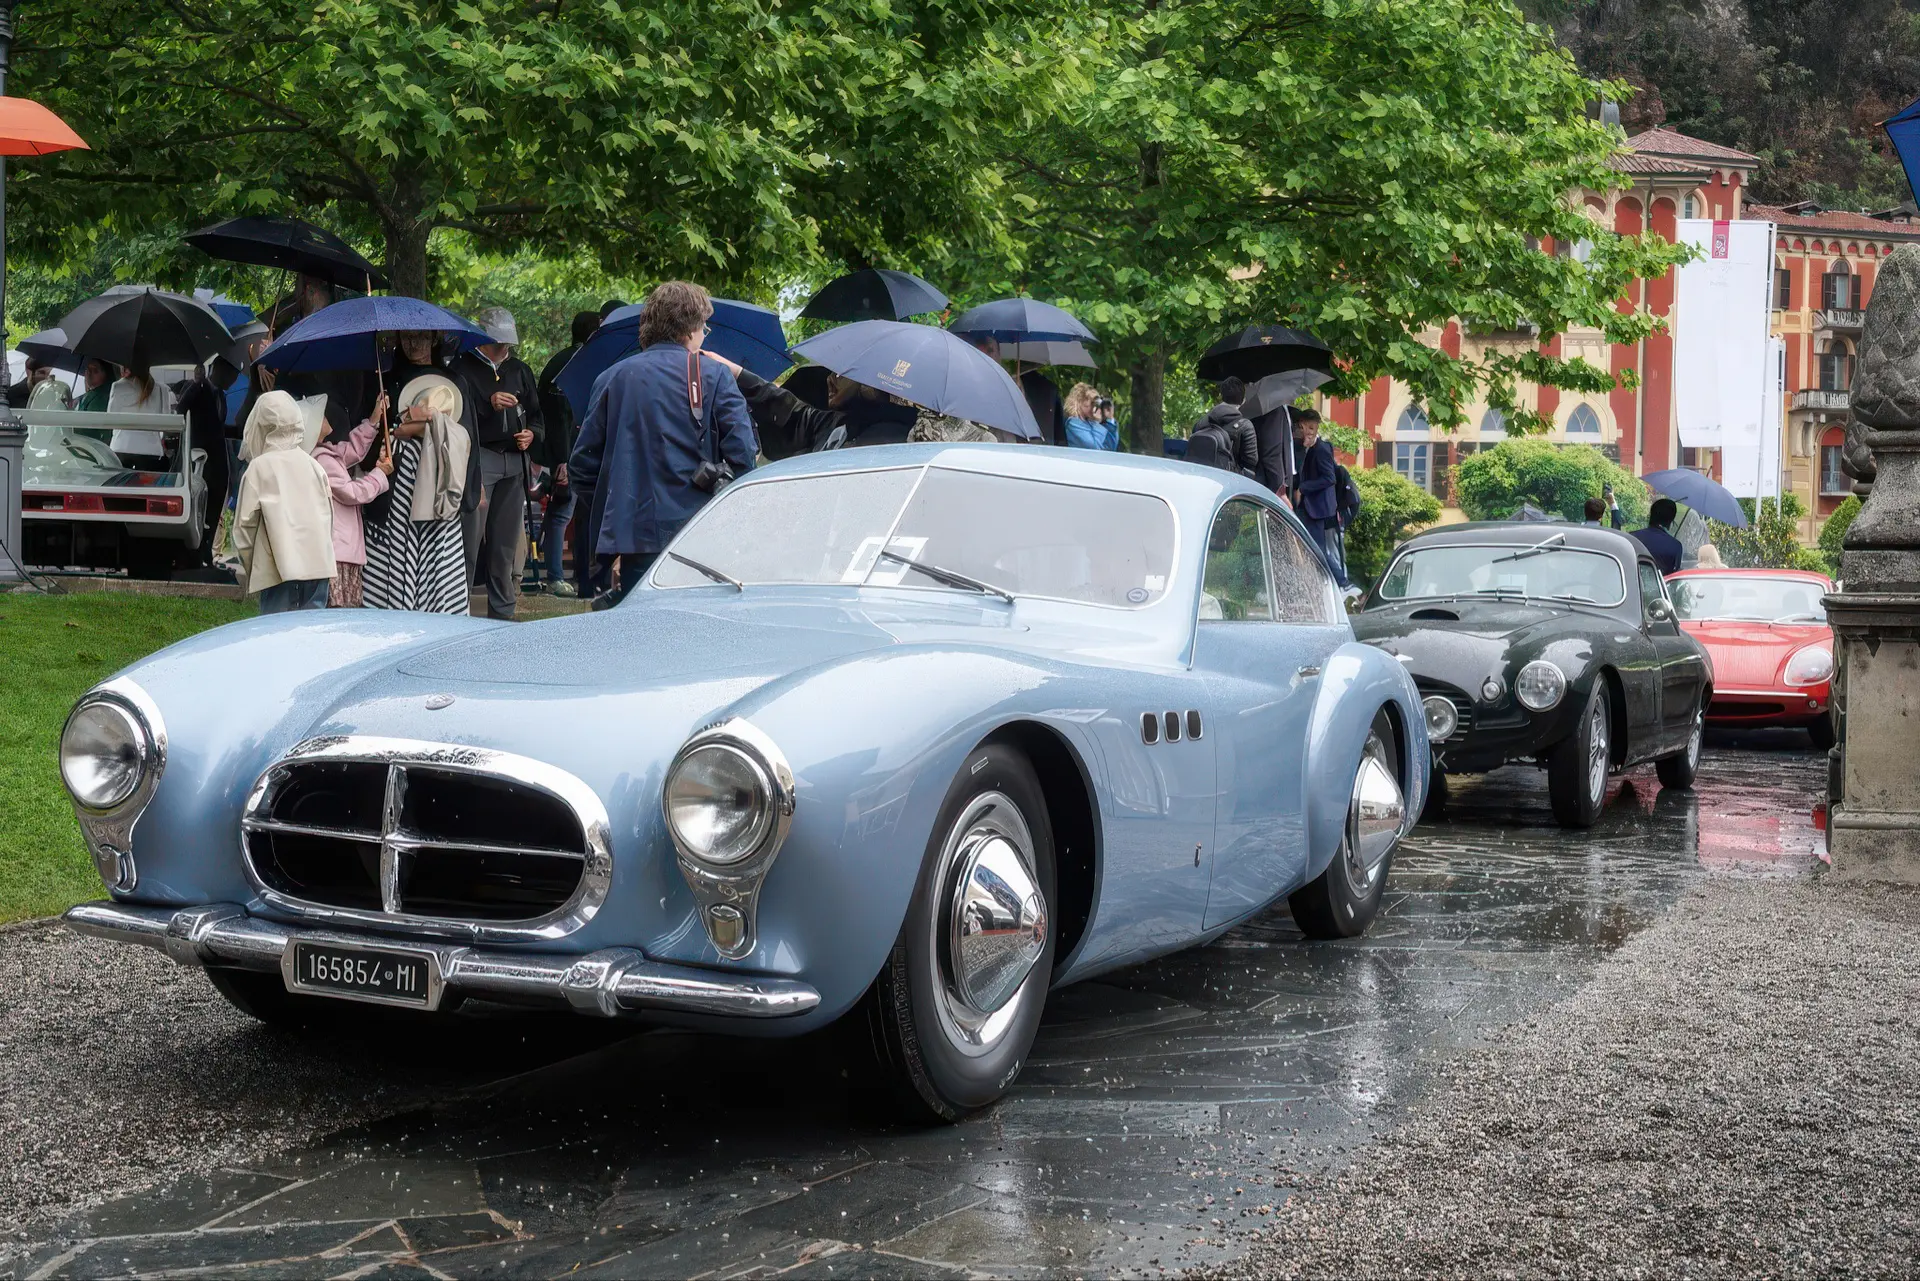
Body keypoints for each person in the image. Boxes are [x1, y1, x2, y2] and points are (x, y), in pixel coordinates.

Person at [569, 280, 757, 608]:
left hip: (632, 536)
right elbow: (743, 458)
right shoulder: (714, 375)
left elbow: (583, 466)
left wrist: (616, 508)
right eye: (704, 328)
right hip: (698, 531)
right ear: (692, 328)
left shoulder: (612, 377)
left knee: (639, 635)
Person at [451, 307, 542, 620]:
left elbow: (536, 414)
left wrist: (533, 434)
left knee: (504, 543)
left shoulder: (519, 369)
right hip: (480, 459)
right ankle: (458, 608)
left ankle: (503, 612)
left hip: (514, 461)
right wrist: (487, 404)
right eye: (499, 342)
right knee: (469, 540)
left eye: (508, 343)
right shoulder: (462, 367)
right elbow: (456, 418)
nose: (505, 349)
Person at [363, 378, 472, 615]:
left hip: (407, 523)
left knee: (409, 569)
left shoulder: (398, 442)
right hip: (432, 523)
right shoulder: (457, 438)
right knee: (437, 571)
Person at [232, 391, 335, 613]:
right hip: (318, 567)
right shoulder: (313, 464)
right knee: (310, 636)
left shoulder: (259, 468)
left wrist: (256, 567)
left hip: (277, 570)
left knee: (276, 638)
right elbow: (329, 518)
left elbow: (243, 530)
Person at [534, 311, 598, 598]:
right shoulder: (578, 365)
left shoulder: (559, 361)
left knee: (558, 513)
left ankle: (554, 572)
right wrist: (564, 459)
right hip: (567, 450)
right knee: (563, 512)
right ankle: (556, 577)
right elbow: (562, 416)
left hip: (554, 447)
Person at [315, 392, 392, 606]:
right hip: (338, 551)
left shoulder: (326, 453)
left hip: (341, 549)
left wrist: (375, 418)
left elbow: (353, 449)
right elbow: (354, 493)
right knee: (338, 610)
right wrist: (379, 474)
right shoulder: (323, 460)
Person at [171, 365, 230, 567]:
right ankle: (193, 554)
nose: (232, 378)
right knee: (199, 507)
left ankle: (207, 552)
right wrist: (197, 384)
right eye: (229, 373)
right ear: (217, 371)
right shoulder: (198, 388)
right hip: (199, 457)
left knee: (214, 508)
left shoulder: (220, 394)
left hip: (218, 458)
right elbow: (181, 409)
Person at [1294, 412, 1343, 573]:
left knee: (1318, 550)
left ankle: (1341, 583)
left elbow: (1330, 478)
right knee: (1309, 547)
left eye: (1312, 427)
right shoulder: (1302, 447)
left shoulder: (1321, 449)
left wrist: (1303, 488)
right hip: (1306, 506)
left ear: (1317, 427)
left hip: (1316, 507)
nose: (1308, 431)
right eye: (1304, 427)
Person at [108, 366, 176, 470]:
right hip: (152, 452)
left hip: (120, 448)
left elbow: (110, 420)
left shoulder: (117, 386)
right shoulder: (163, 389)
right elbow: (166, 426)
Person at [1189, 377, 1260, 475]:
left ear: (1221, 396)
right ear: (1243, 400)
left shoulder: (1201, 423)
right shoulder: (1245, 426)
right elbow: (1251, 463)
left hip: (1201, 477)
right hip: (1229, 481)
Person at [1251, 404, 1299, 499]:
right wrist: (1280, 489)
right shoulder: (1274, 409)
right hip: (1274, 486)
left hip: (1278, 482)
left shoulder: (1280, 408)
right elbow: (1271, 453)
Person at [1634, 497, 1685, 573]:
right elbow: (1674, 575)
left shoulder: (1632, 537)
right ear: (1671, 521)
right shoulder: (1675, 546)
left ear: (1651, 515)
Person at [1064, 383, 1119, 450]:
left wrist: (1109, 419)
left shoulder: (1092, 422)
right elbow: (1094, 448)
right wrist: (1097, 422)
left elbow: (1111, 447)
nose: (1095, 406)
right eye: (1092, 402)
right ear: (1080, 402)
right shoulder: (1073, 423)